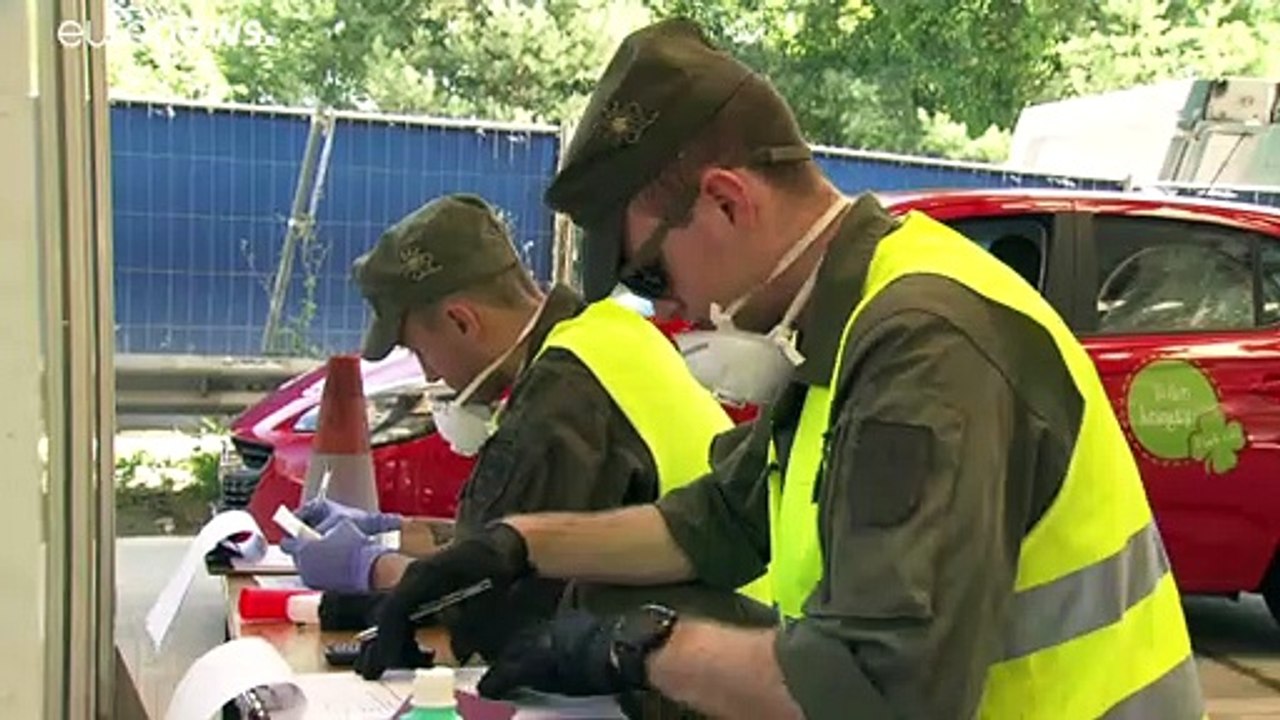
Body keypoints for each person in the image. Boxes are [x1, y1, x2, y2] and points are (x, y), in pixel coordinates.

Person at [355, 18, 1205, 720]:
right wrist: (516, 545)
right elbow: (721, 521)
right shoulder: (843, 315)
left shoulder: (925, 345)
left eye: (653, 271)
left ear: (727, 201)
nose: (670, 307)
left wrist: (641, 649)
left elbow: (878, 687)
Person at [281, 192, 770, 664]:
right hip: (744, 641)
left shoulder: (559, 396)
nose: (429, 374)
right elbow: (527, 540)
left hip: (699, 669)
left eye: (418, 350)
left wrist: (367, 567)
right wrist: (395, 534)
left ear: (461, 320)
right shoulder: (609, 334)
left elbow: (496, 600)